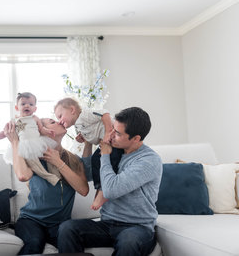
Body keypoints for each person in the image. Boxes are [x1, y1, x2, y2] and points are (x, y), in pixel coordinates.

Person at [57, 107, 163, 256]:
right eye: (112, 128)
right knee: (67, 228)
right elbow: (88, 174)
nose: (111, 135)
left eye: (118, 133)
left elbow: (111, 191)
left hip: (137, 227)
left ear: (136, 138)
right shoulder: (114, 149)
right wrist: (88, 143)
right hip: (107, 224)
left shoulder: (148, 160)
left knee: (129, 242)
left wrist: (105, 156)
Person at [3, 117, 89, 255]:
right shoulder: (34, 157)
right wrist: (15, 141)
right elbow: (23, 175)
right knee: (34, 243)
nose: (60, 121)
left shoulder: (74, 160)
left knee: (72, 246)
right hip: (31, 221)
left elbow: (84, 190)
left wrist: (58, 162)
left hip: (60, 224)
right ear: (42, 131)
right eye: (52, 122)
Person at [54, 97, 124, 210]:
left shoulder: (85, 114)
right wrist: (83, 138)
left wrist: (107, 132)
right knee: (96, 160)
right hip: (105, 143)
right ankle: (100, 188)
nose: (59, 121)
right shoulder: (78, 126)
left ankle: (102, 191)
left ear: (72, 110)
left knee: (110, 159)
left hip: (113, 139)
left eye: (60, 116)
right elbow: (90, 135)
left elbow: (105, 114)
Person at [0, 92, 60, 185]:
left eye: (31, 104)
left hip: (37, 143)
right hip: (24, 146)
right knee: (34, 164)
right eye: (23, 104)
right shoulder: (15, 121)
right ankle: (50, 178)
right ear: (17, 107)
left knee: (50, 158)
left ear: (35, 108)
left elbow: (41, 129)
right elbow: (4, 132)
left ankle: (57, 175)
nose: (27, 106)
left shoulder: (35, 118)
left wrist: (48, 131)